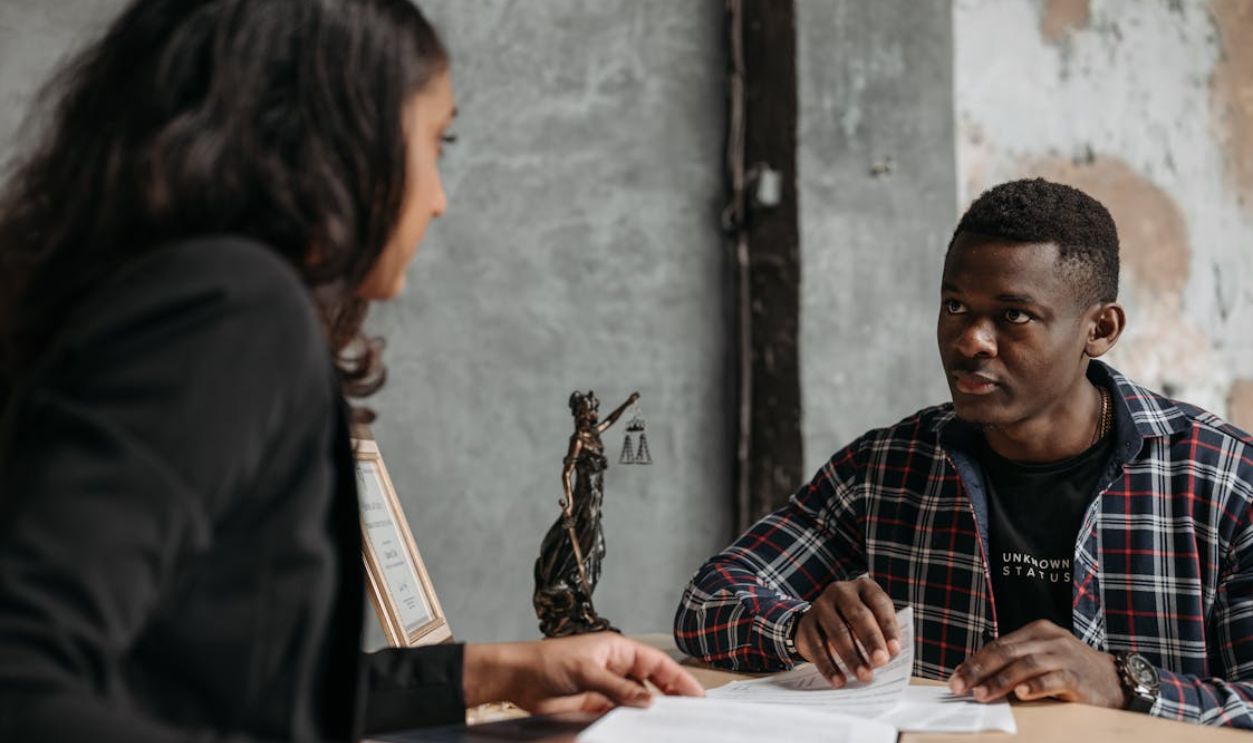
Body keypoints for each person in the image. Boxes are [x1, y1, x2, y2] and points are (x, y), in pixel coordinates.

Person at [0, 0, 702, 740]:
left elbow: (230, 689)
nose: (438, 199)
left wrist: (502, 671)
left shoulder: (150, 298)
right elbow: (22, 674)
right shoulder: (233, 307)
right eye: (437, 141)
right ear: (333, 138)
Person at [674, 178, 1253, 729]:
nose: (970, 340)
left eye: (1014, 315)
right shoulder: (886, 469)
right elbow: (708, 600)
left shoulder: (1226, 481)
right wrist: (799, 626)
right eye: (955, 307)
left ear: (1099, 329)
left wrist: (1126, 683)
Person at [533, 390, 637, 637]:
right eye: (590, 409)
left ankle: (582, 605)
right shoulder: (579, 438)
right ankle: (569, 596)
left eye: (594, 409)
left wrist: (628, 403)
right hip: (584, 498)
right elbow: (567, 471)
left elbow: (611, 420)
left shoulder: (593, 433)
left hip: (596, 499)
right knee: (585, 546)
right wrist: (569, 503)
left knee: (596, 550)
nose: (594, 413)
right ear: (582, 412)